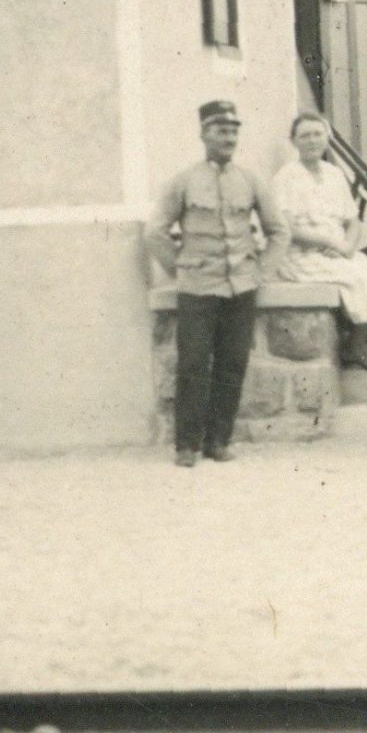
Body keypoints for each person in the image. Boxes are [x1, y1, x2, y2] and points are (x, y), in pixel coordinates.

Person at [149, 99, 286, 468]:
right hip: (197, 288)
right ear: (203, 134)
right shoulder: (184, 181)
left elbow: (278, 231)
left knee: (232, 364)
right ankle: (186, 445)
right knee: (193, 364)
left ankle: (218, 441)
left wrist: (262, 272)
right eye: (221, 131)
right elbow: (155, 232)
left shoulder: (250, 181)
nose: (228, 138)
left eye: (233, 131)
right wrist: (181, 267)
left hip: (240, 288)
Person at [272, 112, 367, 369]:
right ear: (294, 141)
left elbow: (353, 221)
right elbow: (287, 228)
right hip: (301, 254)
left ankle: (356, 341)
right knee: (359, 282)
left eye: (318, 134)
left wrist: (346, 248)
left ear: (326, 139)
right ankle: (355, 347)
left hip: (338, 250)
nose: (312, 140)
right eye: (305, 135)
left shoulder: (334, 174)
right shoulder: (286, 177)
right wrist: (332, 243)